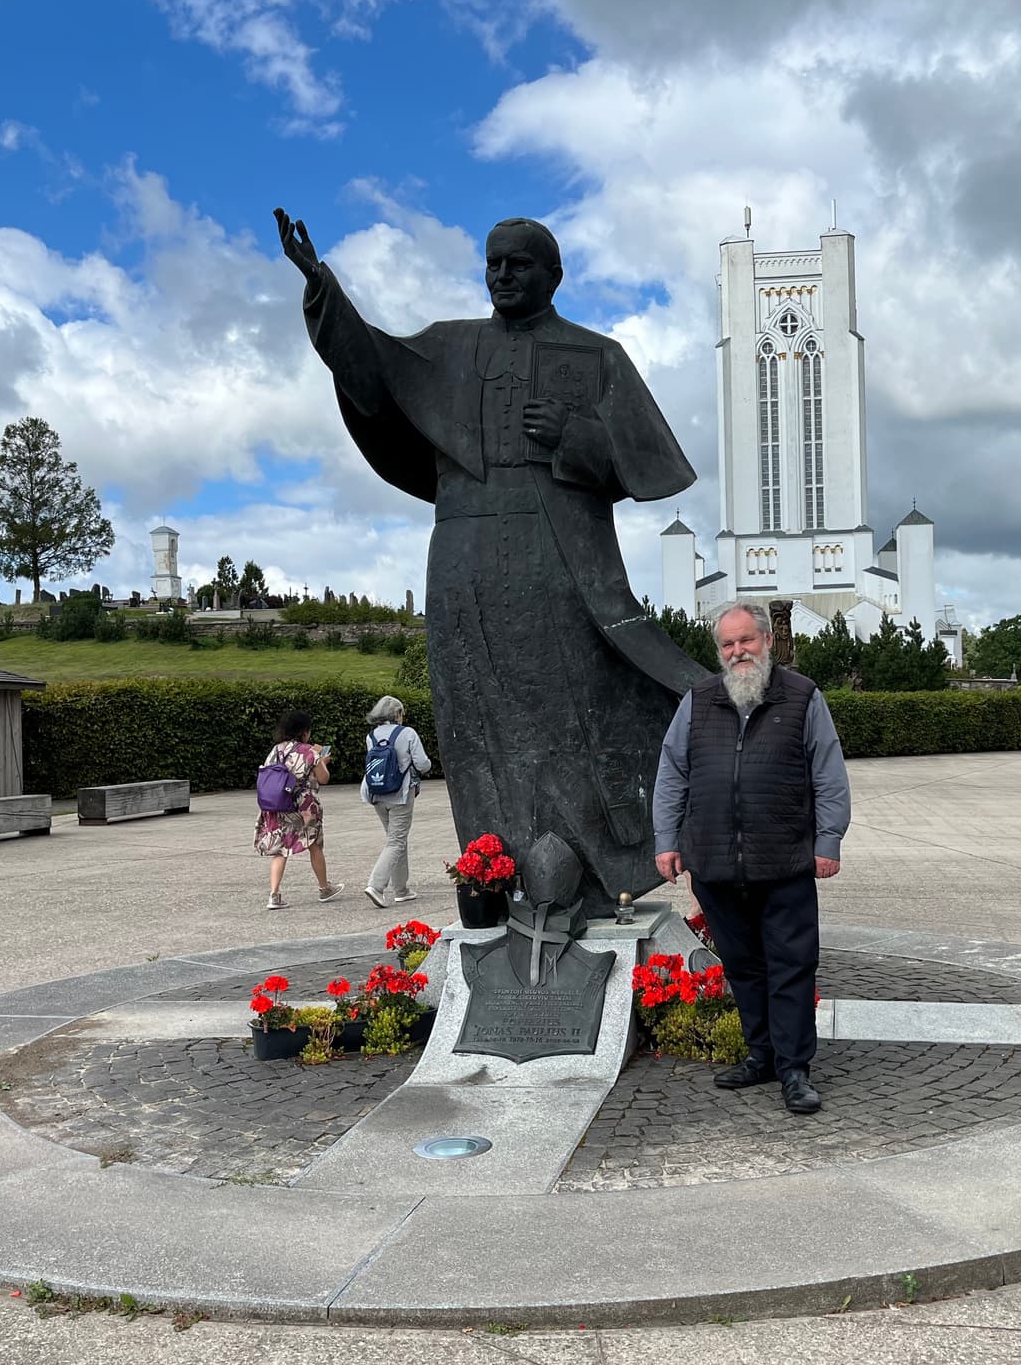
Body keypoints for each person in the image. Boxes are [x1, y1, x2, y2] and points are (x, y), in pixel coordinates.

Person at [277, 208, 704, 918]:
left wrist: (578, 437)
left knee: (582, 700)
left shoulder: (597, 356)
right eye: (493, 263)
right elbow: (372, 371)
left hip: (559, 551)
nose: (503, 275)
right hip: (465, 553)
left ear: (554, 276)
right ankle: (493, 872)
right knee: (475, 715)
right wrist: (321, 287)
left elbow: (650, 465)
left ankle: (603, 861)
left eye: (520, 264)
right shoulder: (450, 347)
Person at [652, 602, 851, 1116]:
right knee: (742, 966)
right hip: (716, 865)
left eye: (747, 641)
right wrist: (666, 840)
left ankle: (794, 1068)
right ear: (719, 651)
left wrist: (828, 840)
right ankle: (760, 1054)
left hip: (783, 861)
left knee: (790, 966)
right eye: (728, 644)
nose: (738, 652)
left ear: (766, 642)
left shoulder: (803, 697)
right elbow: (672, 773)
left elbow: (828, 773)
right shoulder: (698, 701)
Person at [255, 709, 340, 911]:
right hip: (304, 804)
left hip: (277, 803)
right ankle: (324, 888)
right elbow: (323, 778)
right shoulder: (310, 751)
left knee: (280, 849)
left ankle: (274, 895)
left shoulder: (276, 750)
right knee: (314, 844)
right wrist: (322, 761)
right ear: (304, 732)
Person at [361, 694, 433, 908]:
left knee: (395, 839)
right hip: (400, 794)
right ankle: (376, 885)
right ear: (397, 713)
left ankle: (401, 889)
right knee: (396, 841)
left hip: (375, 793)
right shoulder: (407, 733)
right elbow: (423, 764)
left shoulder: (371, 736)